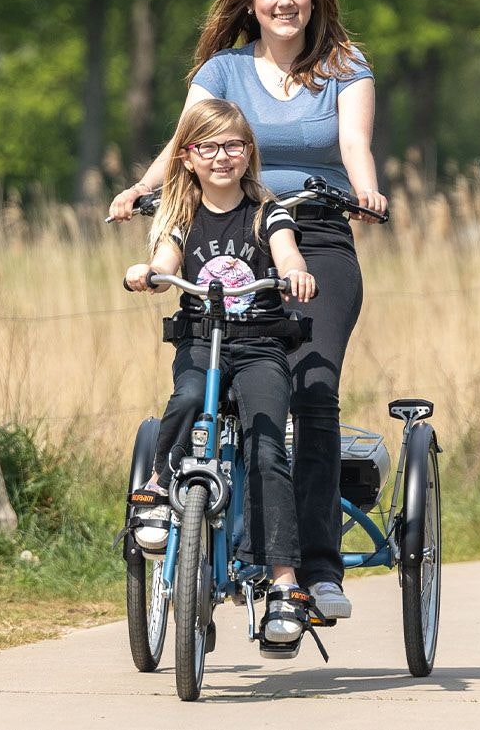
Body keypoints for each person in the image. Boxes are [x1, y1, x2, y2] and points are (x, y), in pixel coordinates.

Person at [110, 0, 388, 620]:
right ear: (252, 1)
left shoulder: (343, 66)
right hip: (227, 229)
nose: (284, 1)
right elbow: (184, 141)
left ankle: (317, 569)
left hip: (315, 235)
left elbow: (354, 144)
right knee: (230, 385)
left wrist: (367, 193)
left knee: (312, 389)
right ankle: (228, 539)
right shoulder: (223, 69)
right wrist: (142, 188)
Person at [124, 98, 318, 649]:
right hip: (200, 343)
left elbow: (286, 253)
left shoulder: (267, 210)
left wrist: (295, 274)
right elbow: (166, 259)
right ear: (187, 157)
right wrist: (152, 274)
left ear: (248, 152)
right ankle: (162, 486)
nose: (221, 157)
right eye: (207, 147)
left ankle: (284, 582)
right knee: (187, 396)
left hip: (259, 346)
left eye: (233, 146)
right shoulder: (180, 214)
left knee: (265, 445)